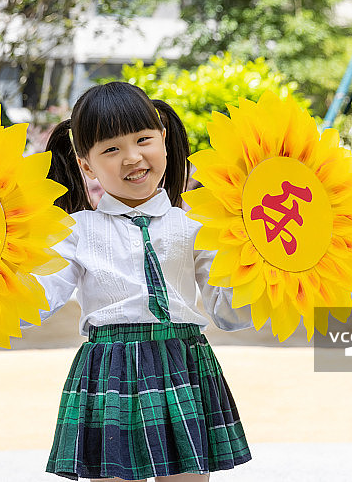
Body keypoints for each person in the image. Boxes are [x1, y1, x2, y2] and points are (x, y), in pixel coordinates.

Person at [31, 81, 253, 481]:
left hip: (183, 364)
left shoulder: (199, 224)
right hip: (109, 371)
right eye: (111, 149)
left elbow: (231, 313)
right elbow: (37, 302)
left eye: (143, 139)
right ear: (86, 164)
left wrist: (263, 270)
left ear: (164, 139)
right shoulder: (74, 230)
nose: (132, 157)